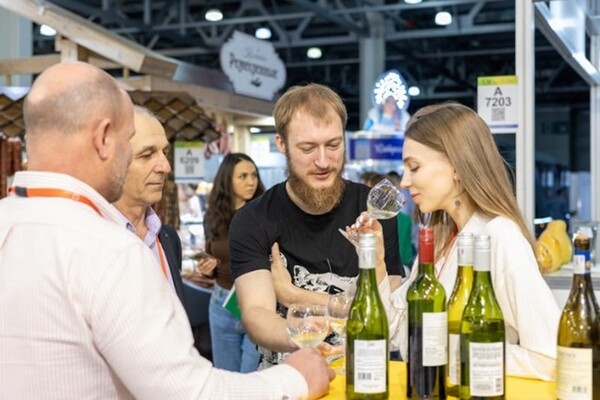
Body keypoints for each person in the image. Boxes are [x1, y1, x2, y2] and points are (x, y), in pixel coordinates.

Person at [0, 61, 333, 400]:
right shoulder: (110, 250)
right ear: (103, 138)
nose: (164, 165)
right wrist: (295, 379)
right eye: (131, 142)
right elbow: (187, 393)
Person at [229, 83, 404, 369]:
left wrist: (293, 296)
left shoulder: (373, 210)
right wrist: (304, 338)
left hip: (364, 375)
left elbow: (386, 312)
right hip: (288, 379)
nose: (323, 161)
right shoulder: (254, 219)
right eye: (308, 148)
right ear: (281, 145)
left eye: (333, 145)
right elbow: (256, 313)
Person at [387, 102, 560, 381]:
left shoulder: (501, 237)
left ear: (456, 167)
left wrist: (456, 353)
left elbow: (550, 357)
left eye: (414, 167)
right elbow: (401, 328)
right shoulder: (442, 236)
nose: (405, 182)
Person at [112, 105, 186, 305]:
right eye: (147, 154)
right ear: (111, 161)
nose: (165, 166)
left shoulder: (168, 239)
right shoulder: (90, 242)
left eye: (164, 152)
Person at [201, 153, 265, 372]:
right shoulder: (213, 216)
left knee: (251, 381)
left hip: (257, 304)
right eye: (243, 176)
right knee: (225, 380)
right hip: (221, 303)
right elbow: (213, 255)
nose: (251, 181)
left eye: (254, 175)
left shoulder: (264, 214)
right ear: (227, 180)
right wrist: (208, 269)